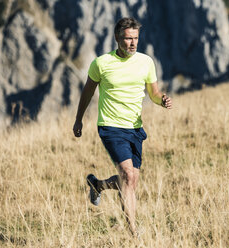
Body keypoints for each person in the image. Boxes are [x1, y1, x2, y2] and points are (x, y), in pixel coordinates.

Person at [73, 17, 172, 235]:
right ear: (118, 38)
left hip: (135, 128)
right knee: (128, 175)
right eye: (128, 38)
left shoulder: (146, 62)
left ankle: (98, 185)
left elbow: (153, 93)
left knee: (131, 179)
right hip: (110, 126)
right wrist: (79, 119)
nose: (133, 43)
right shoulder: (101, 63)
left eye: (136, 38)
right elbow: (87, 92)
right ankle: (133, 231)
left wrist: (162, 100)